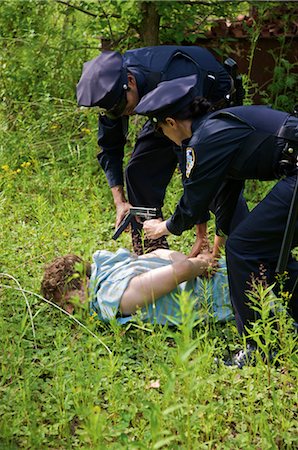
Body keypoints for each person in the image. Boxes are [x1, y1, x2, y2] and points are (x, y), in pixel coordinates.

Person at [134, 74, 298, 365]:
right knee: (268, 249)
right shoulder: (217, 125)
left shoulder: (205, 141)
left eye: (161, 129)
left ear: (171, 123)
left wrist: (164, 226)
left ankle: (258, 350)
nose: (164, 135)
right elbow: (228, 190)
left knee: (245, 248)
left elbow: (194, 200)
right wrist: (217, 237)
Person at [76, 46, 248, 255]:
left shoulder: (172, 75)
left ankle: (244, 248)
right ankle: (152, 248)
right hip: (162, 111)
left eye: (122, 105)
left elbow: (190, 160)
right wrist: (120, 201)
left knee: (215, 181)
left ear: (130, 81)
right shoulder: (116, 92)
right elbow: (109, 146)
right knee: (138, 170)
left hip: (206, 106)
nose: (121, 112)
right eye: (114, 111)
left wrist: (200, 234)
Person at [41, 248, 234, 326]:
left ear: (82, 283)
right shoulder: (108, 266)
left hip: (226, 292)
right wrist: (191, 262)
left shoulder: (117, 295)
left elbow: (182, 269)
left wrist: (202, 263)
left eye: (67, 301)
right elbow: (160, 253)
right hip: (227, 270)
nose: (68, 310)